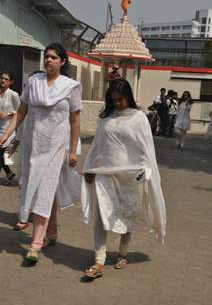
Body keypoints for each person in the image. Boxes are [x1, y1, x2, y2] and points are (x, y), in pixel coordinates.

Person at [0, 43, 82, 263]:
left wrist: (73, 151)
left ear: (63, 62)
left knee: (43, 191)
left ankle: (36, 244)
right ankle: (52, 232)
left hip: (55, 148)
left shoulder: (71, 86)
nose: (48, 60)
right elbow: (21, 111)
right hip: (32, 146)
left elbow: (75, 121)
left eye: (54, 57)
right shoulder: (33, 83)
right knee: (40, 188)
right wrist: (6, 134)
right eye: (47, 56)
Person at [81, 78, 166, 280]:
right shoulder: (105, 118)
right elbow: (97, 145)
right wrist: (89, 168)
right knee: (102, 218)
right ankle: (99, 261)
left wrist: (146, 171)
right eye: (114, 100)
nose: (117, 104)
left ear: (128, 97)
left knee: (127, 216)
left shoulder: (139, 118)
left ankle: (123, 253)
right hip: (105, 175)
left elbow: (146, 148)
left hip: (130, 177)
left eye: (120, 99)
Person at [0, 70, 20, 185]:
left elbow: (20, 111)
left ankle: (8, 173)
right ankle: (9, 173)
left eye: (6, 79)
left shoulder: (13, 94)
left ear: (10, 82)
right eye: (2, 78)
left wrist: (7, 114)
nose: (3, 80)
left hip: (9, 129)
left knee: (1, 152)